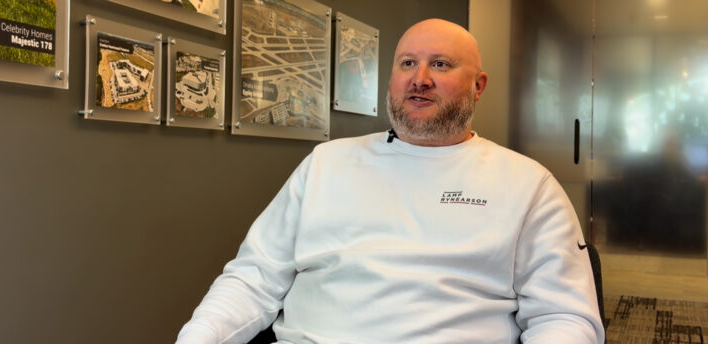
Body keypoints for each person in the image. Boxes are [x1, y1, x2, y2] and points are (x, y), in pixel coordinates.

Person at [175, 19, 605, 343]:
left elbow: (564, 318)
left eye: (440, 64)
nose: (420, 78)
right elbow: (253, 277)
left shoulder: (527, 184)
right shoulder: (327, 162)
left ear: (478, 85)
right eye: (407, 63)